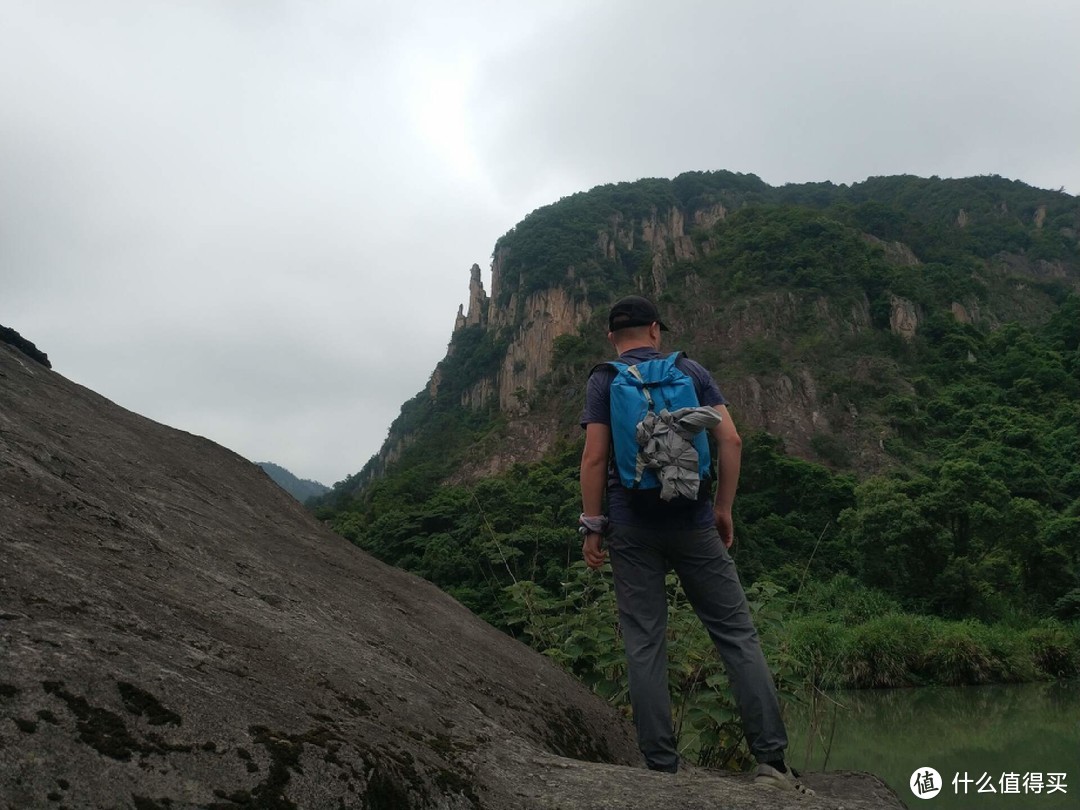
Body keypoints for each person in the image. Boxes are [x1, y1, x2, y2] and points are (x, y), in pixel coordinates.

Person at [578, 295, 812, 794]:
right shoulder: (690, 369)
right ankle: (771, 763)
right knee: (736, 635)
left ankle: (661, 769)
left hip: (630, 526)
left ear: (612, 338)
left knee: (644, 643)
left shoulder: (604, 379)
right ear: (656, 330)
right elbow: (731, 441)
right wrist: (722, 509)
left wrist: (592, 525)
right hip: (694, 521)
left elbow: (595, 458)